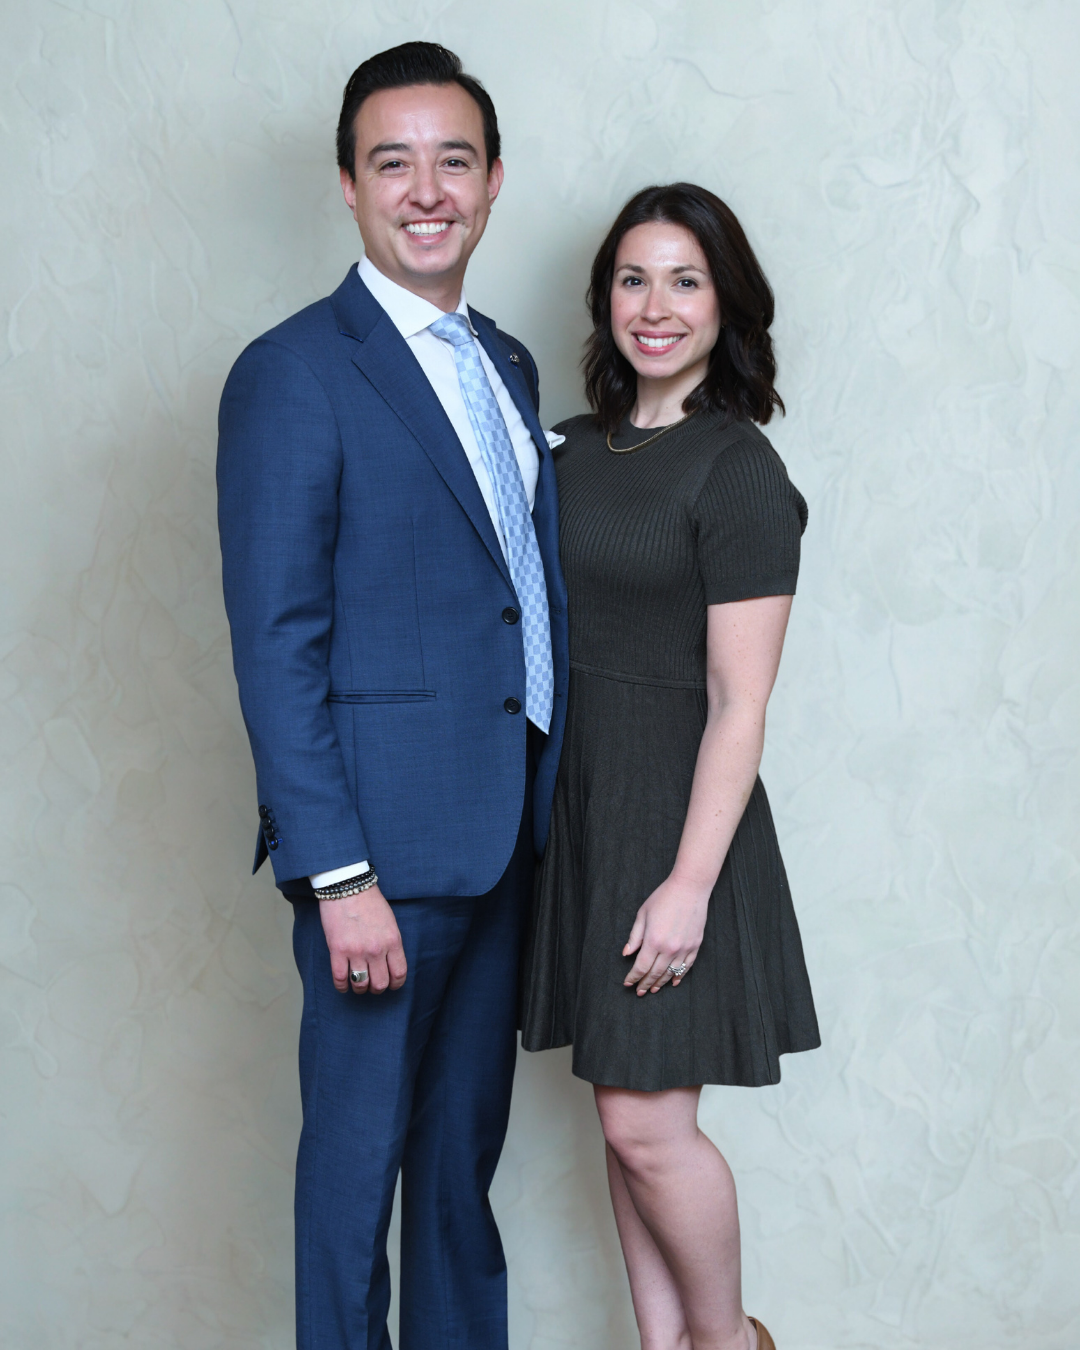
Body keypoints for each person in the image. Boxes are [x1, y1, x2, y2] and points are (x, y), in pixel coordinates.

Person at [216, 42, 568, 1350]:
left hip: (501, 841)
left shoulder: (508, 364)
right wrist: (336, 870)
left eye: (454, 159)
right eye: (393, 162)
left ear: (490, 183)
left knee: (458, 1191)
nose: (427, 189)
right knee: (354, 1190)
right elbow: (277, 640)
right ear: (351, 187)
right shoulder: (294, 371)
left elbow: (508, 590)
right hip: (379, 861)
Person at [521, 183, 820, 1350]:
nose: (656, 305)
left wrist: (690, 883)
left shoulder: (735, 468)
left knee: (652, 1127)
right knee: (621, 1119)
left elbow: (741, 702)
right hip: (583, 812)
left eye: (686, 281)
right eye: (635, 278)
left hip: (679, 822)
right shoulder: (568, 449)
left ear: (726, 304)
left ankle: (728, 1342)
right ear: (604, 298)